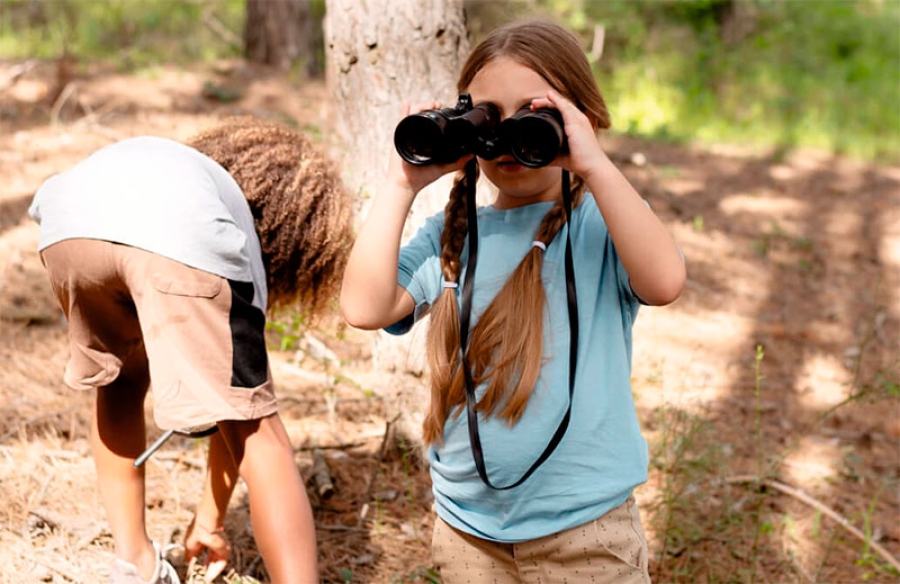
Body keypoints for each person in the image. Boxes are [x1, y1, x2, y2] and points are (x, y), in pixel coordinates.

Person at [340, 19, 686, 584]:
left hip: (586, 532)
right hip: (466, 533)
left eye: (534, 113)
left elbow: (665, 282)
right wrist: (402, 183)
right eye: (486, 116)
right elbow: (363, 308)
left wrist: (595, 164)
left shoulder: (600, 222)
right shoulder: (452, 234)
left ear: (582, 121)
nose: (507, 135)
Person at [29, 117, 352, 584]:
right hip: (168, 235)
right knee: (258, 430)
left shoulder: (181, 168)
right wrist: (212, 521)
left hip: (66, 226)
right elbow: (236, 411)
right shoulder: (220, 224)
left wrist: (207, 519)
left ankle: (134, 564)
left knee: (119, 385)